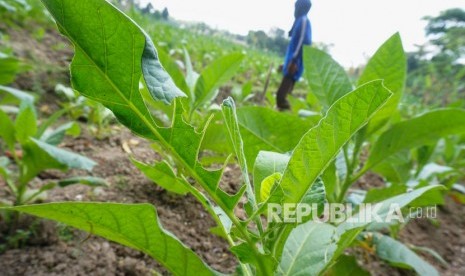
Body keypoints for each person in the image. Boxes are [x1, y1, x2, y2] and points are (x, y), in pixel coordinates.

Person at [276, 0, 312, 110]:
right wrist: (286, 63)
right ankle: (285, 118)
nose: (294, 10)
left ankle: (291, 114)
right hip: (291, 64)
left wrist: (293, 62)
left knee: (281, 97)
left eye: (296, 7)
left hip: (294, 65)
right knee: (286, 95)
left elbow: (302, 43)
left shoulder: (303, 21)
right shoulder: (299, 21)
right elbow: (294, 46)